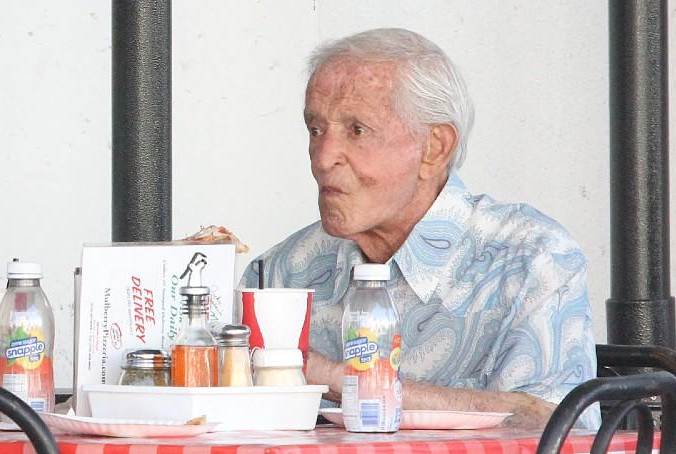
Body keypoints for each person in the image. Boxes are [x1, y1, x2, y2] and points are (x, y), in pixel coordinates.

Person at [241, 28, 598, 429]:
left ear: (435, 148)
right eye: (316, 129)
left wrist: (334, 376)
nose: (323, 159)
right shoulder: (280, 274)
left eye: (357, 130)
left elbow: (561, 429)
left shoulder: (530, 259)